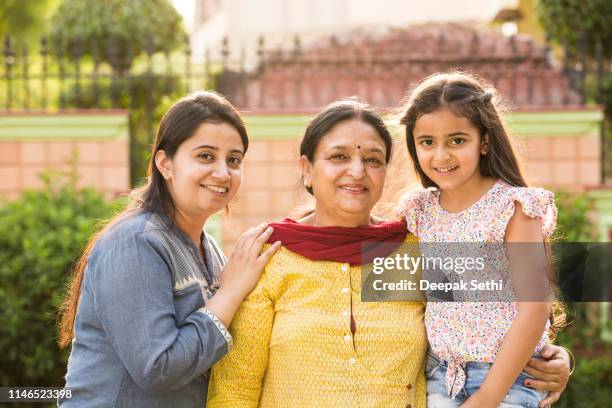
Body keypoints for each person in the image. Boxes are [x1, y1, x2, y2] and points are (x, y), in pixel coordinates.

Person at [206, 98, 570, 407]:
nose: (357, 171)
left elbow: (495, 313)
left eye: (374, 160)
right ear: (307, 169)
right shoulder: (271, 257)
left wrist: (555, 360)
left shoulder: (413, 248)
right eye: (338, 156)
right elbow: (235, 386)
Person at [57, 91, 280, 407]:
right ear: (165, 163)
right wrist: (230, 293)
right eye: (205, 156)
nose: (222, 172)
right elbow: (157, 367)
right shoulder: (136, 242)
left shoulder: (208, 248)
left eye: (234, 160)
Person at [398, 72, 566, 407]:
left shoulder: (514, 207)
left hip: (508, 380)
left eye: (457, 140)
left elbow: (535, 309)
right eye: (427, 142)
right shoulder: (418, 212)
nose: (441, 156)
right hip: (441, 378)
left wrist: (489, 395)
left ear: (484, 141)